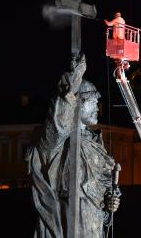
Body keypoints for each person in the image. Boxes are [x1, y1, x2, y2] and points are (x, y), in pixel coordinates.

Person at [26, 54, 120, 238]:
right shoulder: (60, 140)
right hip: (70, 216)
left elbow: (104, 187)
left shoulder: (95, 143)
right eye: (93, 102)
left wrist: (111, 203)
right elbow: (58, 126)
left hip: (94, 220)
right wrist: (72, 86)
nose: (97, 108)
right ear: (79, 103)